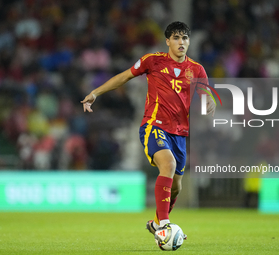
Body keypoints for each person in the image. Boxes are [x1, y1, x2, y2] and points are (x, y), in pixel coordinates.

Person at [81, 21, 215, 238]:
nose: (181, 42)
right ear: (168, 41)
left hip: (179, 133)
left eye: (185, 38)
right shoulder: (152, 61)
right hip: (154, 126)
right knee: (168, 164)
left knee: (177, 187)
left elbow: (206, 95)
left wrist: (210, 102)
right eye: (177, 38)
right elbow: (124, 76)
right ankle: (164, 224)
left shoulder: (197, 69)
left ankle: (155, 223)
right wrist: (96, 92)